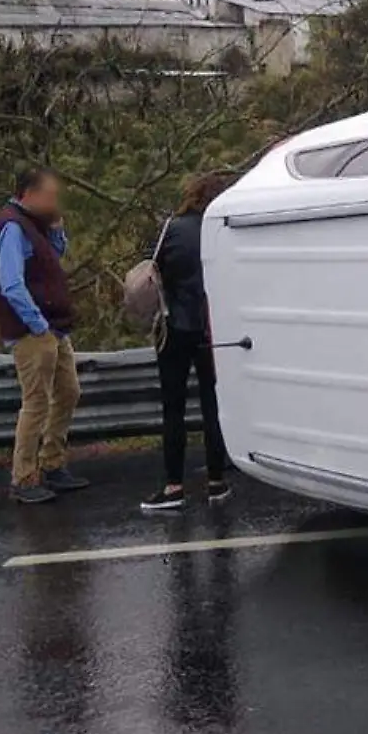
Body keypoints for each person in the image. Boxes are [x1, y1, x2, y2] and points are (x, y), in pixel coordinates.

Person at [0, 167, 89, 504]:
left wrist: (58, 230)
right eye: (49, 195)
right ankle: (24, 476)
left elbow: (51, 259)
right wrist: (37, 324)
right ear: (29, 194)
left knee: (68, 391)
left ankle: (52, 462)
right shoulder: (13, 228)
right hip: (34, 330)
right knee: (36, 402)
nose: (54, 201)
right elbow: (11, 284)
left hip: (54, 326)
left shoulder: (35, 225)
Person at [141, 172, 234, 511]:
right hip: (212, 329)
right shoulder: (223, 231)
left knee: (174, 407)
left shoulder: (172, 228)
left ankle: (173, 486)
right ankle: (216, 481)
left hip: (174, 326)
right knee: (212, 403)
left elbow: (154, 270)